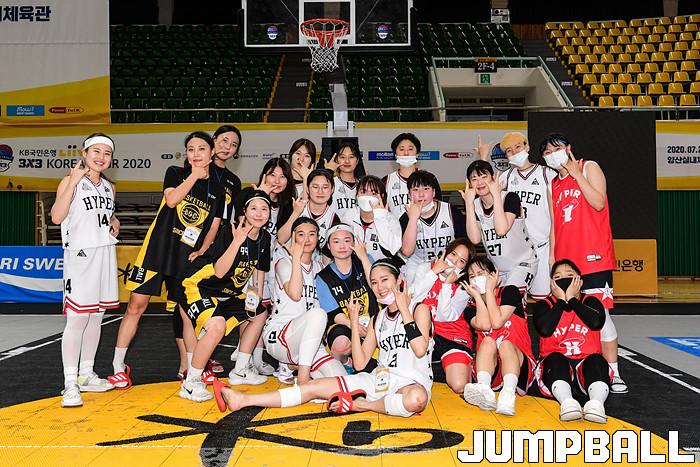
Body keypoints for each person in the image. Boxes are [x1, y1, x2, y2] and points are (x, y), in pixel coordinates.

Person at [214, 258, 433, 418]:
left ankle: (362, 405)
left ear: (399, 279)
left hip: (410, 383)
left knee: (416, 400)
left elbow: (420, 349)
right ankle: (243, 399)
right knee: (313, 387)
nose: (379, 287)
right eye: (374, 283)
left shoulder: (419, 309)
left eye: (384, 280)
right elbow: (360, 363)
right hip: (378, 381)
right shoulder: (378, 318)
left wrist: (405, 310)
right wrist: (353, 322)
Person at [108, 131, 224, 389]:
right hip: (157, 251)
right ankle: (118, 367)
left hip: (186, 258)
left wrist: (203, 250)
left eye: (201, 149)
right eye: (191, 149)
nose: (195, 154)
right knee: (135, 306)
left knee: (187, 314)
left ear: (212, 152)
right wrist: (194, 175)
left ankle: (191, 370)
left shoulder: (217, 189)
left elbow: (214, 226)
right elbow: (171, 200)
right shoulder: (175, 172)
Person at [540, 133, 626, 394]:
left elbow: (599, 202)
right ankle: (579, 366)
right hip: (566, 261)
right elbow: (554, 225)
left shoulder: (588, 167)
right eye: (546, 153)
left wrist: (577, 175)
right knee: (571, 313)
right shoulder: (552, 185)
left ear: (568, 148)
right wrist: (553, 259)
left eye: (556, 149)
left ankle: (614, 372)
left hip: (593, 256)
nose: (552, 155)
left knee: (601, 315)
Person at [179, 190, 273, 401]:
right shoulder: (230, 232)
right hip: (198, 286)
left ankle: (240, 370)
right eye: (254, 208)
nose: (259, 213)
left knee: (259, 313)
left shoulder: (265, 237)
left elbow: (259, 267)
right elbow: (220, 272)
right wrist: (237, 242)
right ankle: (191, 383)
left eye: (264, 209)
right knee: (217, 326)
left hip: (228, 292)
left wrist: (257, 293)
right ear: (245, 211)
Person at [51, 133, 120, 407]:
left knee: (96, 317)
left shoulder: (109, 187)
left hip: (104, 253)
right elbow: (57, 216)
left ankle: (86, 373)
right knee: (78, 319)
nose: (101, 157)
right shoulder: (70, 181)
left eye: (107, 153)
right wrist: (73, 181)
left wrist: (114, 220)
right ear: (84, 153)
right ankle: (70, 383)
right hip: (80, 255)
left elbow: (103, 214)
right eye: (96, 151)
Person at [264, 217, 347, 385]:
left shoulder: (321, 268)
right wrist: (296, 257)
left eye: (312, 234)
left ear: (318, 238)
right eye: (301, 234)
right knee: (317, 314)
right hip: (281, 336)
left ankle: (290, 366)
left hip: (310, 342)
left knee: (340, 380)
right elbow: (295, 294)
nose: (307, 239)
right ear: (293, 237)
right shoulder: (284, 263)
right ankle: (303, 376)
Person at [478, 132, 556, 300]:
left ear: (527, 146)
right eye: (509, 150)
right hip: (517, 253)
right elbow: (486, 185)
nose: (514, 152)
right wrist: (483, 157)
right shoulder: (506, 176)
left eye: (518, 147)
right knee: (513, 300)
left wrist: (553, 253)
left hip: (542, 246)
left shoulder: (547, 174)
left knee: (543, 299)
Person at [533, 259, 611, 423]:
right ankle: (567, 403)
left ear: (580, 282)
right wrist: (562, 301)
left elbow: (596, 323)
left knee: (596, 360)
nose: (564, 279)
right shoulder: (544, 305)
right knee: (555, 359)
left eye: (570, 275)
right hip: (556, 367)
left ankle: (596, 404)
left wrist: (572, 299)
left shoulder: (590, 301)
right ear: (552, 283)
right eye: (558, 277)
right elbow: (545, 329)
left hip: (586, 365)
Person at [462, 256, 535, 416]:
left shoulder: (510, 292)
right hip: (490, 366)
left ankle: (508, 395)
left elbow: (496, 322)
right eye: (472, 276)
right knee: (488, 341)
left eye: (480, 273)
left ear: (493, 275)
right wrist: (477, 297)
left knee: (505, 344)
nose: (476, 278)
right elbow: (484, 325)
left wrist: (489, 291)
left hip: (519, 363)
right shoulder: (470, 308)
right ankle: (485, 390)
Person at [410, 239, 475, 394]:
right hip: (425, 332)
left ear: (464, 268)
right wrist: (433, 273)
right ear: (445, 252)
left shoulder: (463, 286)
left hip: (451, 334)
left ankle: (471, 367)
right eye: (453, 254)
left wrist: (446, 285)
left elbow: (444, 316)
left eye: (461, 261)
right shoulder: (426, 268)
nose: (454, 262)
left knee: (459, 385)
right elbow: (411, 298)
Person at [463, 160, 538, 294]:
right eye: (474, 179)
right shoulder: (474, 205)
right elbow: (475, 239)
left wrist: (496, 195)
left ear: (493, 178)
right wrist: (468, 204)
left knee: (509, 297)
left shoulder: (510, 198)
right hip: (497, 268)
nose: (479, 182)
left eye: (484, 176)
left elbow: (501, 229)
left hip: (522, 263)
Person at [315, 224, 378, 368]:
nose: (342, 246)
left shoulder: (365, 260)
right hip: (346, 324)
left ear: (354, 243)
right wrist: (353, 325)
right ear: (329, 246)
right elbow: (333, 312)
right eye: (336, 241)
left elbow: (377, 287)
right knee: (340, 344)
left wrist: (363, 257)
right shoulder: (323, 277)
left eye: (347, 240)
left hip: (372, 321)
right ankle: (347, 363)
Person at [400, 170, 466, 278]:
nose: (421, 194)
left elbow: (464, 244)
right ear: (409, 194)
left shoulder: (451, 212)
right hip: (417, 272)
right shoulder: (405, 218)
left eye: (426, 189)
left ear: (434, 192)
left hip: (448, 269)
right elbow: (407, 252)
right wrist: (413, 219)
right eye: (415, 190)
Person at [342, 175, 402, 261]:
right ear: (357, 195)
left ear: (382, 196)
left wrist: (380, 218)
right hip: (354, 265)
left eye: (373, 193)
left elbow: (392, 249)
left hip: (381, 266)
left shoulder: (390, 219)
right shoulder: (349, 215)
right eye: (363, 192)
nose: (368, 196)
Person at [279, 169, 340, 249]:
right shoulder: (294, 206)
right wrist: (296, 213)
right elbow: (281, 239)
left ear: (332, 189)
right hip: (286, 255)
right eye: (315, 187)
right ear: (307, 189)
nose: (320, 191)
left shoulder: (334, 219)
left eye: (325, 187)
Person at [323, 142, 365, 220]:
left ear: (357, 160)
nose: (347, 161)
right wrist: (328, 172)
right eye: (342, 157)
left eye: (351, 157)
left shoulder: (364, 187)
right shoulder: (329, 184)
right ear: (336, 160)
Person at [383, 133, 421, 218]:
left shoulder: (429, 179)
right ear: (395, 154)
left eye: (410, 149)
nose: (406, 153)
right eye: (401, 149)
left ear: (417, 153)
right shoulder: (387, 181)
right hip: (395, 226)